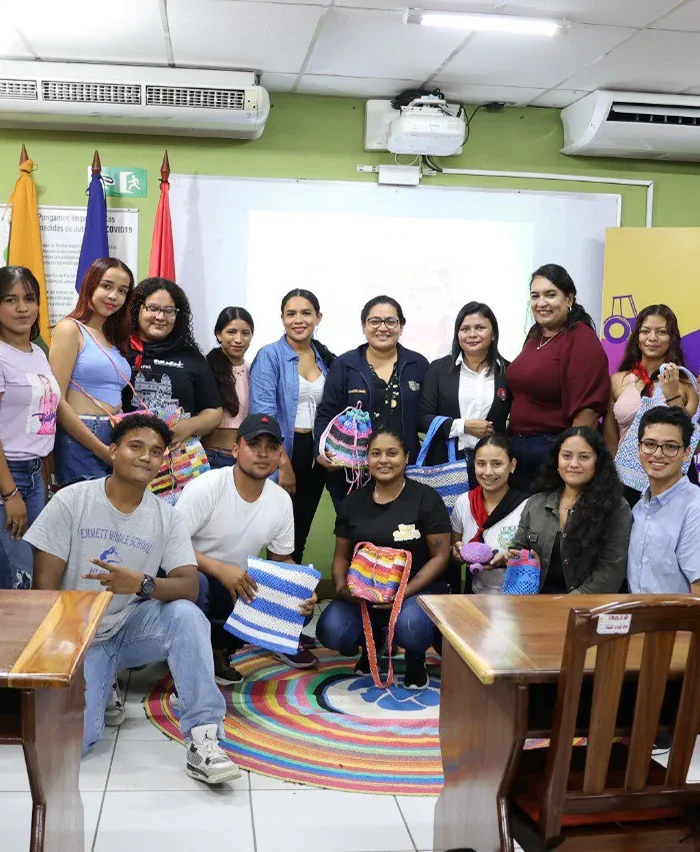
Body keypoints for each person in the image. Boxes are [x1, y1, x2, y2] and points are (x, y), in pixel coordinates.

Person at [25, 413, 239, 783]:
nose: (146, 457)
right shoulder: (72, 501)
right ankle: (101, 682)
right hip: (75, 637)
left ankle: (204, 738)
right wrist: (65, 663)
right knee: (77, 742)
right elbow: (44, 589)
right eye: (135, 446)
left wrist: (142, 583)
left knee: (187, 616)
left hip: (128, 627)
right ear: (113, 450)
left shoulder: (166, 517)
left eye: (156, 452)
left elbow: (188, 585)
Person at [175, 414, 318, 684]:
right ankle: (186, 657)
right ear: (235, 449)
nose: (262, 453)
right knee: (202, 586)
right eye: (253, 444)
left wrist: (301, 587)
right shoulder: (208, 487)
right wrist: (220, 569)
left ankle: (220, 650)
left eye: (272, 446)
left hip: (235, 582)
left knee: (296, 602)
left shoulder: (280, 500)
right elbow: (170, 544)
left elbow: (281, 558)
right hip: (190, 574)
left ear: (280, 454)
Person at [316, 429, 451, 689]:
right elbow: (342, 556)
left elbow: (440, 556)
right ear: (367, 459)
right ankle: (373, 643)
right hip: (363, 596)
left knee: (411, 627)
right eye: (375, 454)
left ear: (406, 457)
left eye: (392, 453)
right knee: (331, 630)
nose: (384, 460)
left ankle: (415, 657)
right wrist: (344, 589)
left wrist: (402, 594)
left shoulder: (426, 498)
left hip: (414, 593)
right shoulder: (353, 502)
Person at [315, 295, 429, 511]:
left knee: (403, 535)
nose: (382, 328)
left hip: (406, 470)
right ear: (363, 326)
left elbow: (427, 415)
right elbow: (327, 412)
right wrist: (319, 451)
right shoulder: (346, 364)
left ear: (401, 326)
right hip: (354, 473)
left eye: (391, 321)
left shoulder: (418, 364)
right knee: (356, 535)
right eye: (375, 321)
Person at [507, 264, 610, 492]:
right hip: (519, 450)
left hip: (552, 451)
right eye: (535, 296)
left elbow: (589, 411)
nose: (541, 302)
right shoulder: (536, 335)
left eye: (550, 295)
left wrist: (569, 459)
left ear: (569, 299)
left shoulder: (581, 339)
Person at [249, 290, 334, 563]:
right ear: (283, 318)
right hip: (282, 450)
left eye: (306, 313)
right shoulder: (270, 355)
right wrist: (282, 461)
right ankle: (266, 594)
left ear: (318, 317)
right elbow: (263, 413)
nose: (299, 320)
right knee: (275, 529)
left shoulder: (325, 359)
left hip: (316, 454)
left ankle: (290, 593)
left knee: (301, 528)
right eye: (291, 313)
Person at [511, 426, 632, 594]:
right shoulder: (536, 502)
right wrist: (520, 560)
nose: (574, 464)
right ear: (557, 460)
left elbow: (610, 573)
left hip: (586, 611)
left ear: (598, 461)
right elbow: (518, 549)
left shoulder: (617, 508)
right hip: (535, 606)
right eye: (566, 456)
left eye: (584, 457)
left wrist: (565, 604)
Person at [0, 267, 60, 589]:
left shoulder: (37, 352)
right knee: (16, 581)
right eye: (11, 299)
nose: (22, 308)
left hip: (35, 475)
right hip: (8, 477)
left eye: (29, 299)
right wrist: (9, 492)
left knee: (32, 576)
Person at [604, 304, 699, 506]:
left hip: (670, 481)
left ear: (672, 338)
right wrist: (612, 476)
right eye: (645, 331)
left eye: (661, 332)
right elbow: (610, 436)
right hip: (624, 479)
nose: (652, 338)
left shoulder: (685, 385)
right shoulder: (618, 381)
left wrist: (673, 396)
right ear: (637, 336)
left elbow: (691, 440)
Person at [49, 258, 133, 486]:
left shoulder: (113, 339)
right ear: (90, 285)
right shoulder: (70, 329)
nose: (114, 296)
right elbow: (57, 400)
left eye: (122, 291)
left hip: (114, 434)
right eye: (106, 286)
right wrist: (102, 450)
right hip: (82, 436)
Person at [419, 302, 511, 488]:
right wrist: (464, 426)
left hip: (492, 467)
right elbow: (423, 418)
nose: (472, 334)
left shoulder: (507, 372)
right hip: (447, 461)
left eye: (480, 328)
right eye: (465, 329)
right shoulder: (438, 370)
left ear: (493, 334)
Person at [124, 278, 222, 446]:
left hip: (178, 461)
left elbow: (214, 412)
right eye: (153, 308)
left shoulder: (190, 356)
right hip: (122, 455)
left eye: (169, 310)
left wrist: (190, 426)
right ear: (137, 309)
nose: (160, 317)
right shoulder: (119, 349)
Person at [627, 406, 700, 594]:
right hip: (638, 619)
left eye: (670, 446)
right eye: (650, 444)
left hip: (679, 622)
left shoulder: (695, 508)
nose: (658, 454)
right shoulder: (639, 507)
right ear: (638, 449)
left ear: (686, 453)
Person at [451, 435, 528, 594]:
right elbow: (453, 545)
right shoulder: (464, 502)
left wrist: (508, 560)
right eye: (481, 464)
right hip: (473, 595)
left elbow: (537, 557)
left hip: (517, 598)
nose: (488, 472)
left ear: (512, 465)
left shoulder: (527, 505)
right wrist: (457, 552)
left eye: (497, 464)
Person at [203, 307, 254, 469]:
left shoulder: (254, 371)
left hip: (243, 459)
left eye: (245, 333)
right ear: (219, 334)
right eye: (231, 332)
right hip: (211, 456)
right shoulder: (205, 367)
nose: (238, 339)